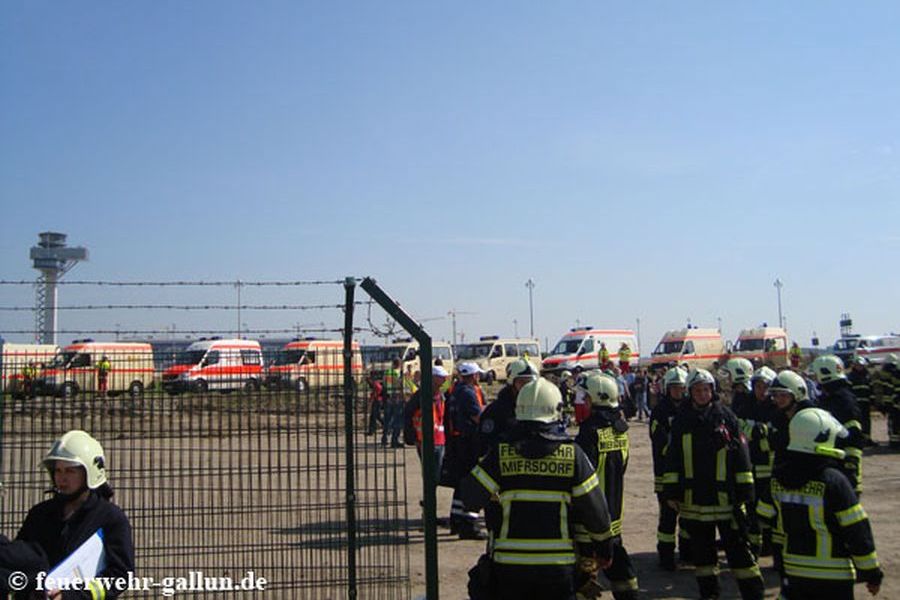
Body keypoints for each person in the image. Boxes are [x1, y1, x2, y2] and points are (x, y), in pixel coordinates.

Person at [460, 378, 614, 600]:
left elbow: (470, 498)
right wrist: (604, 549)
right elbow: (596, 513)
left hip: (509, 567)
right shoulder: (574, 456)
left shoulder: (500, 454)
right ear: (557, 410)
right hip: (558, 568)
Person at [757, 408, 883, 599]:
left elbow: (763, 516)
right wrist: (872, 573)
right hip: (834, 575)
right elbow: (857, 531)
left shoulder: (778, 479)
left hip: (793, 570)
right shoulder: (834, 481)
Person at [663, 369, 764, 600]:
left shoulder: (727, 417)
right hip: (694, 502)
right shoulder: (682, 421)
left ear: (713, 391)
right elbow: (673, 459)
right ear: (690, 393)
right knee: (704, 559)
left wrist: (745, 493)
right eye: (697, 390)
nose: (702, 394)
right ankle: (710, 595)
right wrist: (671, 492)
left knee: (740, 555)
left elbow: (741, 457)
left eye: (706, 389)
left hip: (726, 501)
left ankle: (754, 595)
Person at [17, 430, 134, 600]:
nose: (61, 478)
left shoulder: (111, 519)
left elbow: (120, 576)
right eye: (58, 470)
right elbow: (21, 560)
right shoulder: (39, 515)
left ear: (90, 473)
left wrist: (72, 595)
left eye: (70, 471)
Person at [574, 373, 639, 599]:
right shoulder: (620, 431)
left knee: (584, 577)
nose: (583, 402)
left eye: (586, 398)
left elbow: (580, 477)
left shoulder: (588, 433)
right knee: (620, 568)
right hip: (614, 517)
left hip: (589, 520)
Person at [649, 366, 690, 570]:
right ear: (667, 389)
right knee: (667, 517)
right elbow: (659, 440)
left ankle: (686, 553)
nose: (678, 392)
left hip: (687, 473)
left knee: (688, 517)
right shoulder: (660, 411)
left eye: (681, 388)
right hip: (665, 473)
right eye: (674, 388)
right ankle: (665, 556)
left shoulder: (689, 409)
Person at [809, 355, 864, 495]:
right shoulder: (830, 398)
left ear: (825, 375)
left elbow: (854, 436)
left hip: (844, 470)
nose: (814, 379)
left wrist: (851, 466)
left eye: (816, 375)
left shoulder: (842, 401)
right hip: (833, 467)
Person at [444, 362, 487, 539]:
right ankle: (468, 524)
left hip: (458, 441)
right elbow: (478, 417)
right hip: (468, 442)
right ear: (474, 376)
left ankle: (456, 519)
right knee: (473, 483)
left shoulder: (456, 391)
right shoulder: (468, 393)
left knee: (461, 484)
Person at [745, 366, 777, 557]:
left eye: (765, 387)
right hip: (750, 466)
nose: (761, 391)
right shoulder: (746, 406)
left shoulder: (778, 409)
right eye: (758, 386)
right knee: (752, 509)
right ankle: (754, 547)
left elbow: (776, 440)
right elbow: (740, 430)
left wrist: (758, 437)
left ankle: (770, 544)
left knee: (771, 511)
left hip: (772, 469)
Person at [477, 358, 537, 453]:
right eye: (522, 382)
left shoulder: (539, 407)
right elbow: (485, 443)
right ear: (511, 383)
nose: (527, 387)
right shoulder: (495, 411)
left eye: (530, 382)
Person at [404, 365, 449, 491]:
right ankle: (429, 499)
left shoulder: (440, 396)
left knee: (437, 473)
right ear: (433, 378)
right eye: (441, 377)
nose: (445, 380)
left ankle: (430, 497)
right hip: (425, 440)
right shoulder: (421, 396)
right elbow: (408, 414)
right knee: (429, 474)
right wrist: (412, 437)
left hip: (440, 440)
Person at [847, 356, 874, 447]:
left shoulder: (867, 375)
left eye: (861, 365)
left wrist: (872, 401)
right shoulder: (850, 377)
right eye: (857, 365)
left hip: (866, 403)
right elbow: (849, 391)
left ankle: (867, 439)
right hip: (856, 404)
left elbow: (871, 389)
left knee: (866, 421)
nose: (859, 367)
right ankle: (859, 440)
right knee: (857, 421)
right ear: (854, 365)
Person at [381, 358, 404, 448]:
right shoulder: (398, 374)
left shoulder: (387, 373)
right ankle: (394, 440)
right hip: (396, 399)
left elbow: (385, 385)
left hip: (388, 399)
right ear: (399, 364)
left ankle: (384, 439)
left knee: (387, 420)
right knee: (397, 420)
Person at [880, 354, 900, 448]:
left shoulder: (889, 377)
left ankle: (894, 442)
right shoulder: (893, 377)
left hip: (893, 404)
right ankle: (894, 442)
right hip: (894, 404)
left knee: (894, 423)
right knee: (894, 423)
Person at [365, 371, 384, 436]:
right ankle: (386, 426)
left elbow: (377, 391)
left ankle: (371, 431)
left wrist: (371, 401)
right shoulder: (375, 383)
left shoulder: (375, 384)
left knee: (373, 416)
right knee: (377, 416)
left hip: (377, 401)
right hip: (377, 400)